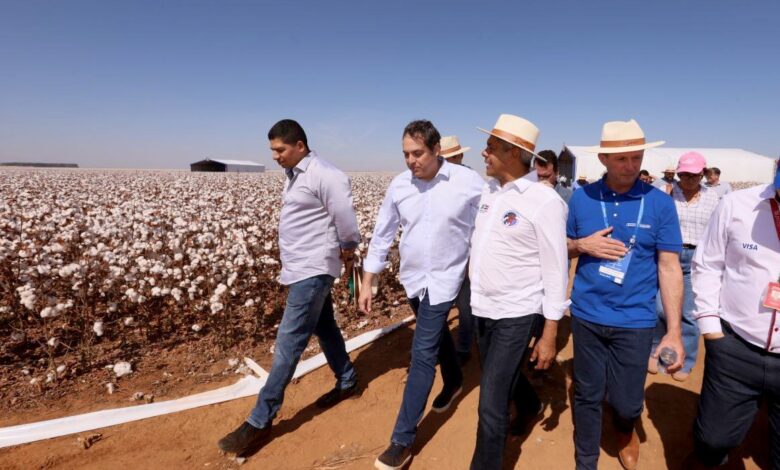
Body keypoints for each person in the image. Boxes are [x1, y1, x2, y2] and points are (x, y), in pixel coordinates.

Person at [218, 119, 361, 456]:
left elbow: (345, 218)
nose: (275, 156)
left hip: (313, 270)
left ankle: (260, 419)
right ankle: (348, 381)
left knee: (288, 343)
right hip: (301, 269)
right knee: (325, 327)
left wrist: (349, 246)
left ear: (299, 145)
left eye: (279, 150)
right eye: (272, 151)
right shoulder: (296, 174)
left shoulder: (325, 174)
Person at [359, 120, 484, 470]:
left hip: (448, 278)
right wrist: (369, 280)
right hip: (413, 279)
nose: (411, 161)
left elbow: (487, 226)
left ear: (437, 150)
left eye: (418, 153)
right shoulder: (399, 186)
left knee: (423, 353)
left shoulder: (467, 183)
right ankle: (456, 379)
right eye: (406, 155)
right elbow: (382, 234)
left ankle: (402, 440)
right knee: (437, 333)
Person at [566, 119, 685, 470]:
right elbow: (559, 250)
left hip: (635, 320)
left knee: (627, 401)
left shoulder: (660, 204)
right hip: (587, 314)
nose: (631, 166)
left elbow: (669, 266)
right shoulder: (581, 198)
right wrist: (578, 244)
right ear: (603, 158)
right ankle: (585, 458)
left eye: (637, 157)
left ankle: (624, 428)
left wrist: (675, 331)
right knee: (587, 393)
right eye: (622, 159)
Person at [468, 114, 569, 469]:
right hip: (482, 307)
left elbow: (556, 269)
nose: (484, 153)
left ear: (512, 152)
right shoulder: (488, 192)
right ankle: (529, 405)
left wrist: (549, 333)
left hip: (516, 313)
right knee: (501, 377)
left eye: (491, 147)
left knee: (490, 404)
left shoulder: (545, 202)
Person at [689, 159, 780, 468]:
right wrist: (712, 331)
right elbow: (708, 264)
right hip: (736, 347)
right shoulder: (736, 205)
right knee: (713, 440)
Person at [648, 151, 719, 381]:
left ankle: (685, 360)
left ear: (703, 174)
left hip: (697, 258)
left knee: (689, 313)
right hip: (669, 256)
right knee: (661, 308)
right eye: (685, 174)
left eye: (694, 175)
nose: (688, 179)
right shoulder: (666, 193)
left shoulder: (714, 198)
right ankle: (656, 350)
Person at [440, 135, 476, 364]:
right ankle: (439, 347)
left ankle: (463, 348)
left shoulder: (471, 180)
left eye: (451, 157)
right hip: (441, 258)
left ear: (460, 156)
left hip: (464, 256)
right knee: (438, 307)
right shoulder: (433, 181)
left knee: (465, 307)